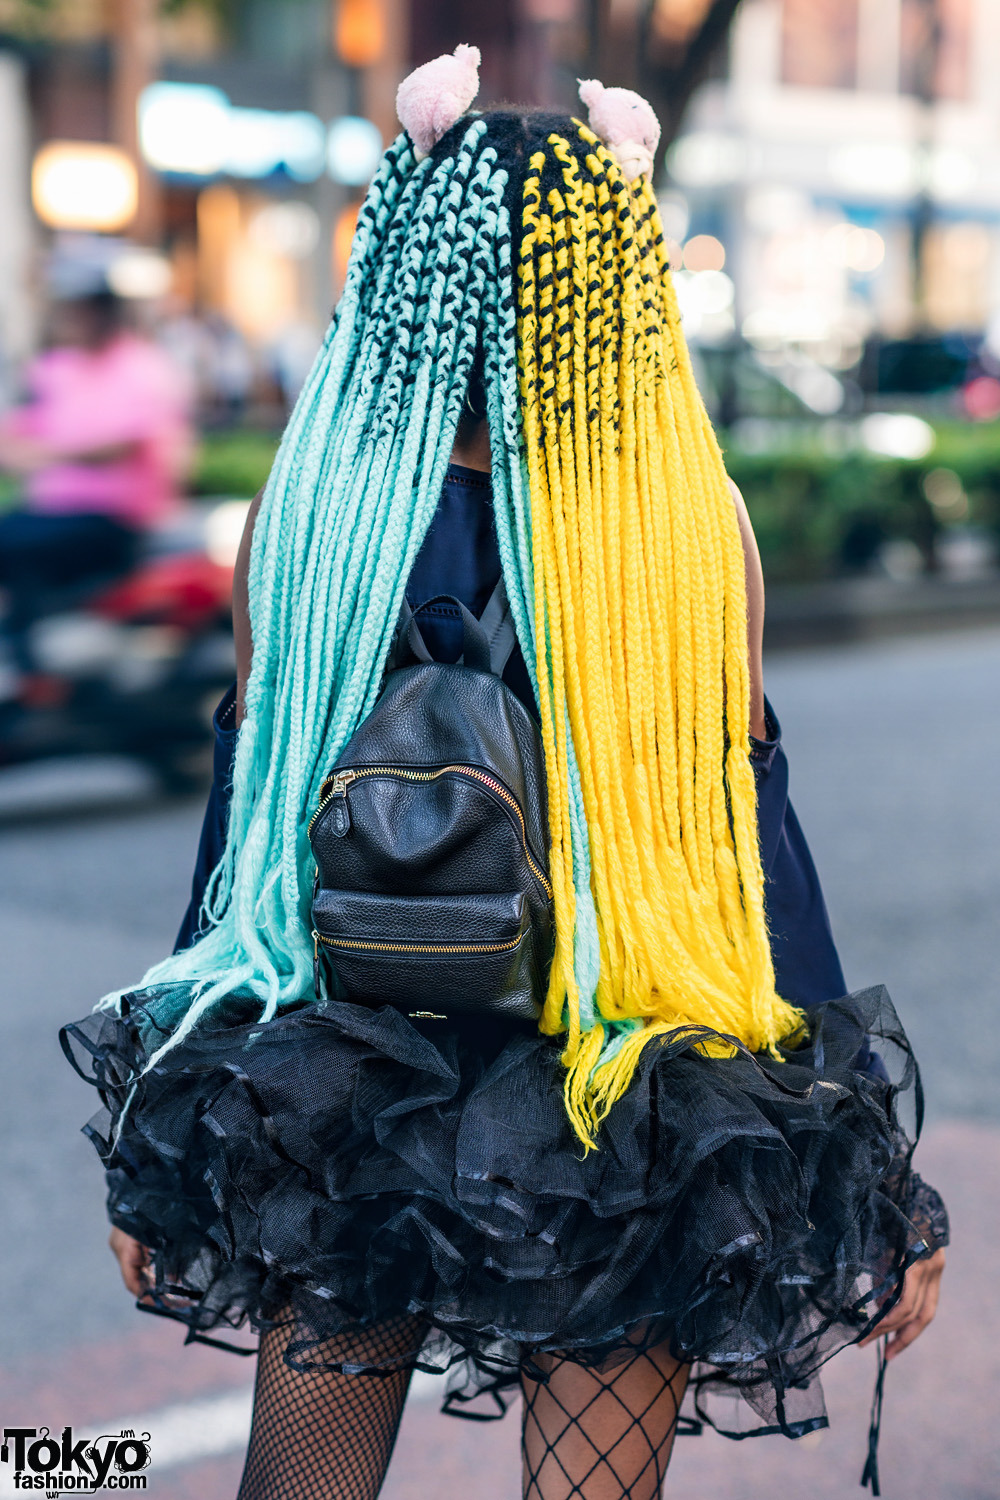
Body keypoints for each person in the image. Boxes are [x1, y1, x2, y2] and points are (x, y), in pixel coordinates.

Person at [62, 55, 946, 1500]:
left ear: (407, 268)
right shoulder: (677, 528)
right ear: (615, 290)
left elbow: (245, 844)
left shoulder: (315, 515)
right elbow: (751, 848)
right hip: (612, 1079)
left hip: (352, 1063)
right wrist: (874, 1169)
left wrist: (166, 1132)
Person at [0, 285, 191, 680]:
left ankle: (29, 670)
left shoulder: (142, 367)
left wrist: (51, 452)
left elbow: (121, 444)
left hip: (114, 519)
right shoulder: (57, 368)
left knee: (13, 541)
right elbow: (21, 429)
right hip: (52, 513)